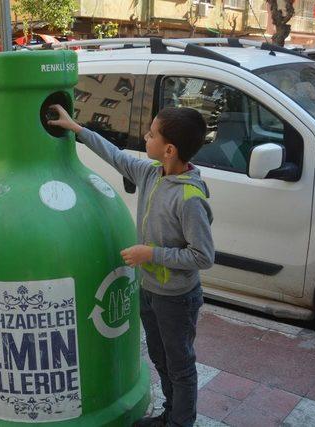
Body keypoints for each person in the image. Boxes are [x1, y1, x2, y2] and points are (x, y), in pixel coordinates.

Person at [48, 105, 215, 427]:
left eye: (152, 134)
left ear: (169, 149)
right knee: (161, 358)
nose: (145, 136)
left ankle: (181, 422)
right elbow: (114, 155)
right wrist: (76, 129)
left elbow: (203, 256)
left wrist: (149, 254)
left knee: (180, 365)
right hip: (150, 291)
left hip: (177, 298)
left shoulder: (190, 198)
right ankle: (170, 414)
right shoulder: (152, 173)